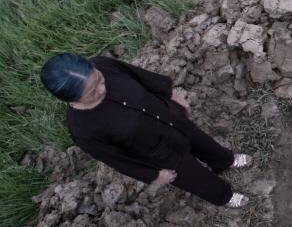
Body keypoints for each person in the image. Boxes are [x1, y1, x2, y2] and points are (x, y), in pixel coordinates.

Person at [40, 53, 252, 208]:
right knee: (196, 178)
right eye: (91, 93)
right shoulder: (84, 131)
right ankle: (223, 196)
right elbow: (116, 160)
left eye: (99, 80)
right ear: (72, 99)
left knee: (205, 143)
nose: (102, 89)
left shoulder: (103, 64)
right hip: (159, 153)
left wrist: (173, 97)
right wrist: (153, 175)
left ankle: (225, 161)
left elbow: (142, 77)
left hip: (170, 118)